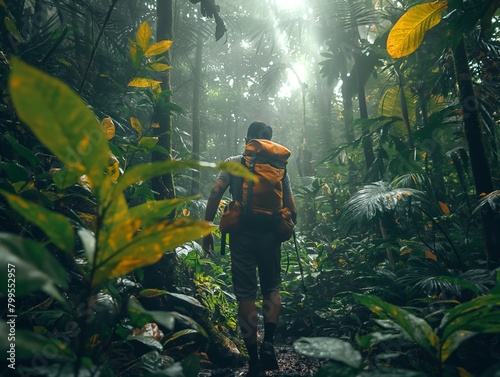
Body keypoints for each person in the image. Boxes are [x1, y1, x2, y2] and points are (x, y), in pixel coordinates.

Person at [202, 121, 297, 377]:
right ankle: (269, 344)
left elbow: (215, 191)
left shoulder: (234, 161)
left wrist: (206, 228)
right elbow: (292, 208)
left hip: (242, 236)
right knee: (271, 288)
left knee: (246, 294)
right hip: (270, 236)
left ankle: (254, 361)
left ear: (248, 140)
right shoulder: (280, 167)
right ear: (270, 142)